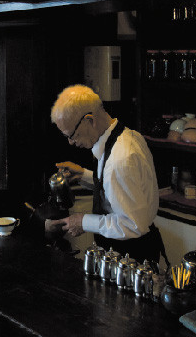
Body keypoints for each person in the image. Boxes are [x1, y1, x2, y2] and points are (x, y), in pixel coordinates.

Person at [48, 84, 167, 264]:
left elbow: (132, 225)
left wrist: (83, 222)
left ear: (90, 120)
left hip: (131, 257)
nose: (71, 142)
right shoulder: (127, 136)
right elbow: (120, 187)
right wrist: (83, 175)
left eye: (71, 135)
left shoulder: (119, 160)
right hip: (134, 248)